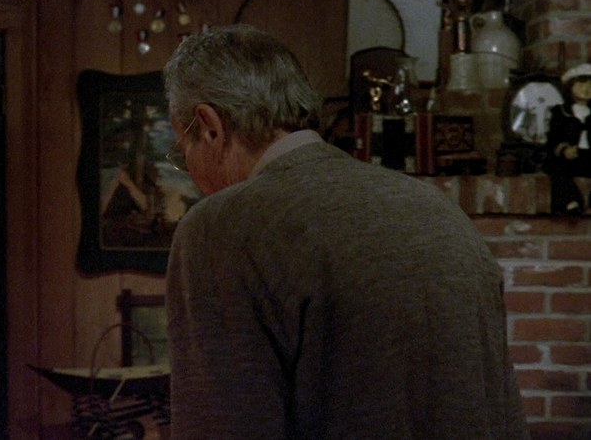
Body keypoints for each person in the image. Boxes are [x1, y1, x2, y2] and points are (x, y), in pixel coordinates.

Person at [162, 24, 529, 439]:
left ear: (209, 126)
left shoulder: (218, 228)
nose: (189, 171)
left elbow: (219, 426)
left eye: (183, 150)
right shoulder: (441, 211)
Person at [544, 63, 591, 215]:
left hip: (588, 156)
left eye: (590, 85)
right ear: (570, 87)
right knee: (558, 169)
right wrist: (564, 150)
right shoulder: (561, 112)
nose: (587, 89)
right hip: (570, 156)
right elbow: (554, 138)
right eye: (581, 84)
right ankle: (571, 201)